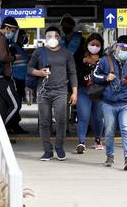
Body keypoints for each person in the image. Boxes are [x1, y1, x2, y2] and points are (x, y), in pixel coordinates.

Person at [28, 26, 78, 161]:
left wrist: (74, 92)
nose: (51, 39)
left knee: (62, 120)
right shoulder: (39, 52)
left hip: (61, 90)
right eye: (48, 36)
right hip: (43, 91)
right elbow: (29, 68)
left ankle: (59, 147)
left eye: (54, 36)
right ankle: (47, 150)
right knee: (44, 121)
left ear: (59, 38)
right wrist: (39, 72)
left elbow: (72, 72)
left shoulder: (67, 53)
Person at [94, 36, 127, 171]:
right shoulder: (104, 61)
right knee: (109, 131)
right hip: (108, 103)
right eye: (123, 48)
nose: (125, 51)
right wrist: (105, 77)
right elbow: (95, 76)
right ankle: (110, 156)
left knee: (126, 130)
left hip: (126, 103)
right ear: (116, 47)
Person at [0, 16, 21, 128]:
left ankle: (0, 132)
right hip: (2, 78)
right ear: (7, 28)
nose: (12, 33)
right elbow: (3, 57)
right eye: (12, 31)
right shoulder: (1, 38)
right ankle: (1, 131)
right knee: (16, 105)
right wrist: (14, 58)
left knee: (3, 105)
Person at [75, 33, 105, 153]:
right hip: (83, 91)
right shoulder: (79, 57)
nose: (95, 47)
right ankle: (81, 142)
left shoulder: (104, 59)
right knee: (83, 117)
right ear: (87, 45)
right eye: (92, 44)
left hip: (99, 92)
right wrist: (85, 61)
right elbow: (74, 72)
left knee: (98, 117)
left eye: (97, 45)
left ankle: (98, 139)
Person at [8, 29, 29, 134]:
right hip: (15, 79)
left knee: (19, 103)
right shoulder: (13, 48)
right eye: (22, 36)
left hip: (21, 80)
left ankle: (15, 125)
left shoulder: (20, 48)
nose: (25, 38)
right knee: (16, 103)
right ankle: (12, 125)